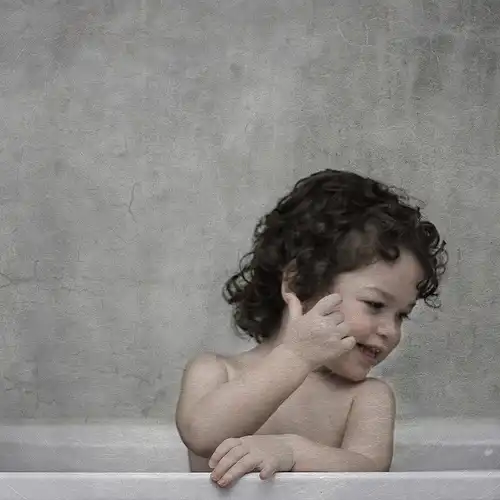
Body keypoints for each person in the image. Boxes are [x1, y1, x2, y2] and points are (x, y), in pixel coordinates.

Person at [175, 169, 447, 488]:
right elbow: (201, 435)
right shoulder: (215, 372)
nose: (391, 330)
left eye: (401, 315)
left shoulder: (366, 398)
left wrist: (293, 452)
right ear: (298, 283)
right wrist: (296, 356)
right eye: (375, 305)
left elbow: (371, 475)